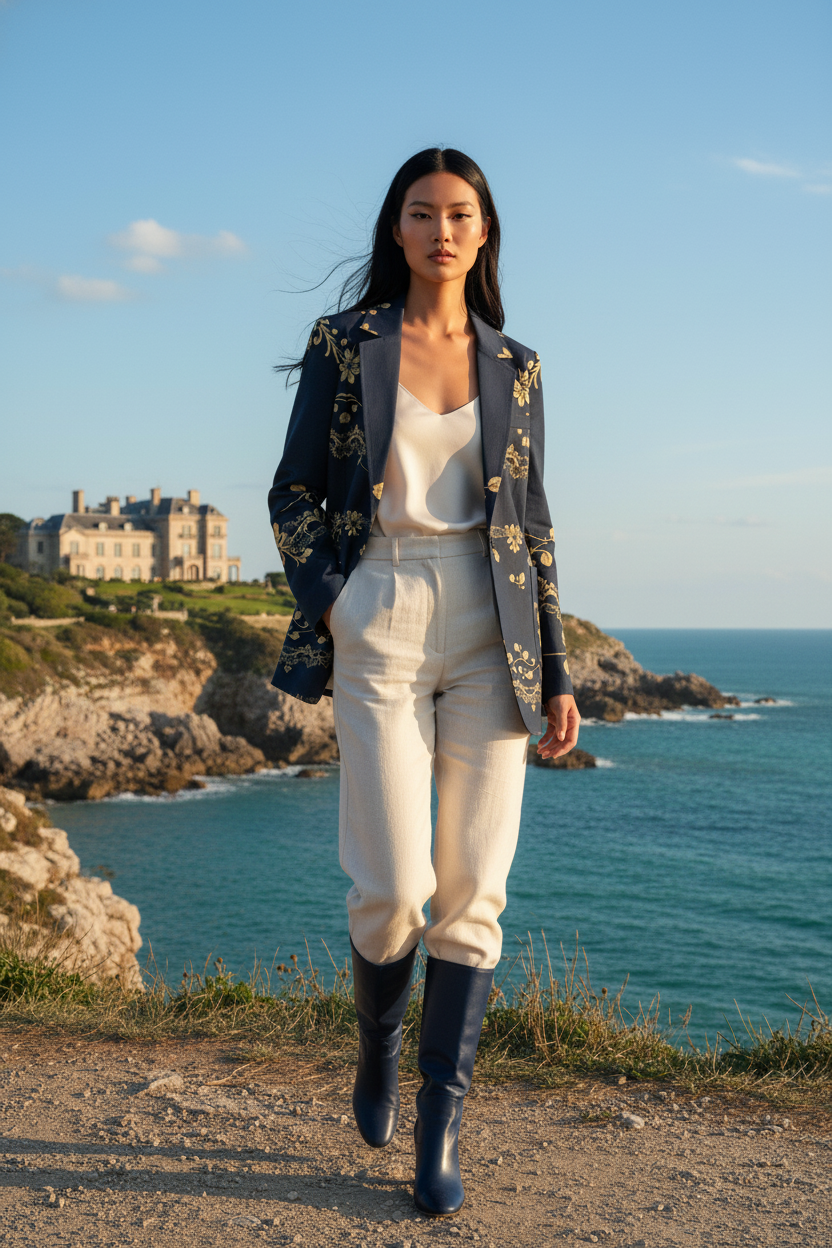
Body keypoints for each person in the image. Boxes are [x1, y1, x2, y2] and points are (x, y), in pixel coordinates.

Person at [268, 147, 580, 1217]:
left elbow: (531, 528)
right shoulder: (343, 344)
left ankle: (438, 1123)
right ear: (395, 231)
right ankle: (377, 1046)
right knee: (394, 887)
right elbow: (293, 490)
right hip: (382, 608)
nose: (440, 230)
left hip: (494, 627)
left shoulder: (519, 365)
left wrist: (559, 670)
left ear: (484, 231)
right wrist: (335, 598)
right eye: (420, 213)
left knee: (474, 886)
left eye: (459, 213)